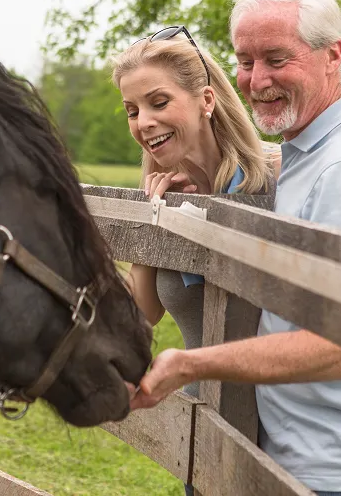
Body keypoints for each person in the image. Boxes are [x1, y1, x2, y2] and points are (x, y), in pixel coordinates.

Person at [128, 0, 341, 496]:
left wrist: (188, 363)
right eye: (245, 61)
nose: (257, 79)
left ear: (332, 54)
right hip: (279, 456)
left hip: (337, 471)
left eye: (276, 58)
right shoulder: (303, 155)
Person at [112, 26, 280, 399]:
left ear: (206, 100)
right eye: (132, 110)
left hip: (282, 426)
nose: (143, 123)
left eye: (158, 102)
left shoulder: (277, 175)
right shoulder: (162, 193)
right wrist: (153, 221)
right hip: (200, 426)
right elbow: (142, 316)